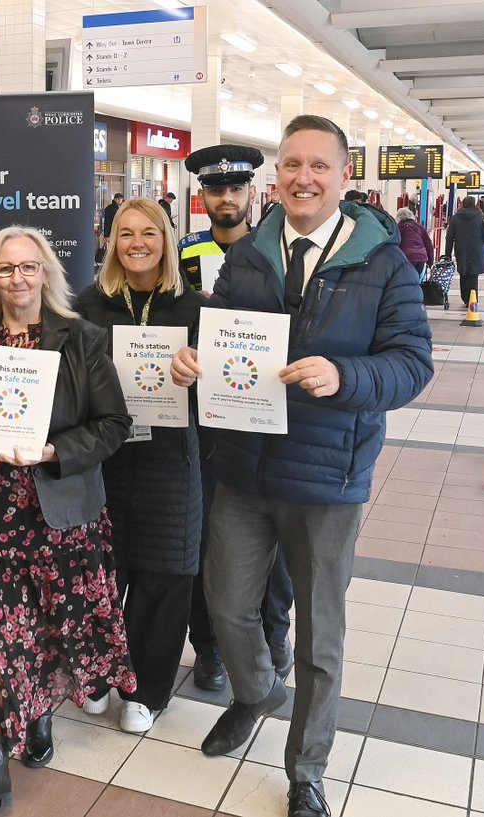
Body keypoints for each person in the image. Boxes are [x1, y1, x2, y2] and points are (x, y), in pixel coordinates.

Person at [171, 114, 432, 817]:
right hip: (245, 468)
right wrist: (195, 360)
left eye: (319, 165)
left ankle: (306, 766)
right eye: (292, 164)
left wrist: (345, 377)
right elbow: (219, 331)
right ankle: (258, 692)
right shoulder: (251, 255)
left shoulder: (384, 262)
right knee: (226, 604)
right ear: (277, 175)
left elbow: (413, 364)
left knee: (320, 636)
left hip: (328, 478)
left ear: (345, 176)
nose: (303, 177)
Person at [0, 226, 135, 809]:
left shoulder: (82, 338)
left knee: (47, 623)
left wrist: (51, 451)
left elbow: (112, 425)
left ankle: (39, 712)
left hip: (56, 507)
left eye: (28, 267)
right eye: (5, 269)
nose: (18, 279)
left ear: (46, 273)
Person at [74, 198, 203, 733]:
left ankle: (146, 690)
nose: (136, 243)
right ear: (110, 241)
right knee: (102, 574)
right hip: (105, 461)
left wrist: (198, 373)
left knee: (163, 578)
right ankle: (100, 674)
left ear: (166, 239)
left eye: (148, 232)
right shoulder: (89, 304)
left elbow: (223, 391)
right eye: (124, 233)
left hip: (170, 464)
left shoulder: (194, 309)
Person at [177, 144, 295, 693]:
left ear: (252, 193)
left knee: (272, 539)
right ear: (201, 197)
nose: (226, 198)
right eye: (214, 190)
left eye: (235, 189)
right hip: (200, 415)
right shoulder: (178, 255)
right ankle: (209, 647)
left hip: (262, 409)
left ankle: (274, 633)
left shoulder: (277, 254)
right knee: (208, 536)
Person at [443, 195, 484, 310]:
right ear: (474, 203)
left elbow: (449, 237)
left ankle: (466, 298)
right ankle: (472, 299)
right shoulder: (481, 215)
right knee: (473, 275)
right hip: (478, 249)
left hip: (462, 249)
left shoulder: (456, 217)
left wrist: (447, 254)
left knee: (463, 272)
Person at [395, 207, 435, 279]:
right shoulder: (419, 227)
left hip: (407, 257)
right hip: (421, 257)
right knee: (416, 280)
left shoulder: (399, 227)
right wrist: (430, 261)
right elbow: (429, 244)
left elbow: (395, 243)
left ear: (399, 218)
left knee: (407, 280)